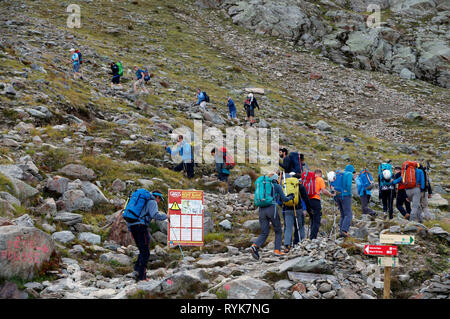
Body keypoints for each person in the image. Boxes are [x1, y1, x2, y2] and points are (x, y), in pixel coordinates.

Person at [250, 173, 295, 260]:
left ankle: (254, 246)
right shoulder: (276, 186)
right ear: (276, 179)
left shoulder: (263, 186)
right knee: (278, 230)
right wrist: (290, 197)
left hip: (261, 210)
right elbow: (284, 199)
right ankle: (277, 251)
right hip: (271, 209)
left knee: (264, 232)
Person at [126, 190, 167, 281]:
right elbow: (155, 215)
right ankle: (142, 277)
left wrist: (130, 229)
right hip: (141, 227)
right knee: (146, 253)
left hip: (132, 226)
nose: (159, 201)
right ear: (157, 197)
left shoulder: (141, 201)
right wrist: (166, 216)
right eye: (159, 199)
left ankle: (136, 271)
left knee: (142, 250)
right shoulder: (152, 201)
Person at [281, 173, 311, 251]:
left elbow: (280, 199)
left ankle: (287, 245)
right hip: (298, 209)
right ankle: (302, 243)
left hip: (287, 209)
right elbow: (306, 199)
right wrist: (308, 209)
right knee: (300, 227)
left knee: (288, 228)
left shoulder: (285, 186)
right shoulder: (300, 186)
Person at [309, 169, 336, 239]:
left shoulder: (309, 179)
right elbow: (323, 191)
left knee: (312, 218)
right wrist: (331, 194)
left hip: (308, 200)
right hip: (315, 200)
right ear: (319, 174)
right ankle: (313, 238)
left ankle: (311, 236)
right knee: (317, 219)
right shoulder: (320, 179)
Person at [331, 165, 355, 238]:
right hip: (345, 195)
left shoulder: (340, 173)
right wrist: (349, 192)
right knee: (348, 214)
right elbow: (348, 184)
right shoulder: (349, 174)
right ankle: (344, 231)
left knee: (342, 214)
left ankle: (341, 230)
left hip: (337, 195)